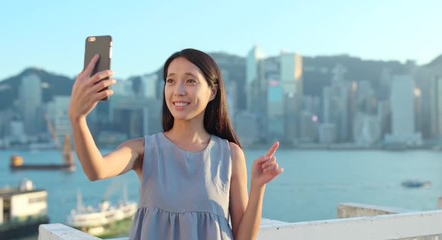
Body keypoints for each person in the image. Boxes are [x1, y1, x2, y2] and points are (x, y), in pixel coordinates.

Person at [69, 48, 283, 240]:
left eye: (190, 81)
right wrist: (77, 118)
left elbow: (243, 238)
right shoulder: (143, 149)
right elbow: (95, 170)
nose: (178, 90)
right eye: (171, 81)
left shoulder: (230, 154)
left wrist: (258, 187)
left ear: (213, 92)